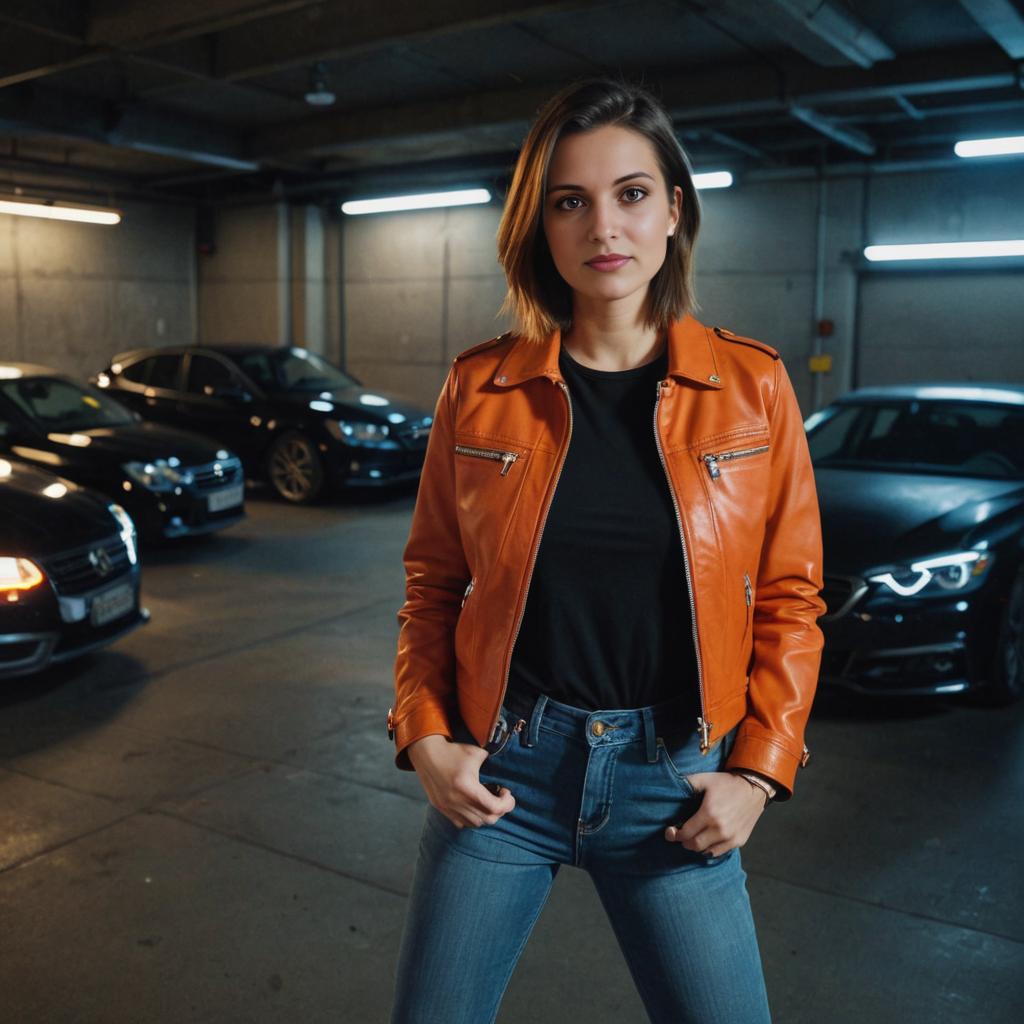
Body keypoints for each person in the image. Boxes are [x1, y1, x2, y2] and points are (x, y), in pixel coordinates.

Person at [386, 75, 826, 1024]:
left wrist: (758, 770)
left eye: (631, 194)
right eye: (570, 202)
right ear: (541, 226)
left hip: (675, 783)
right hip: (505, 776)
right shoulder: (481, 388)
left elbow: (791, 596)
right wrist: (424, 732)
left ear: (674, 208)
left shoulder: (753, 387)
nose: (603, 228)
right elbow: (433, 581)